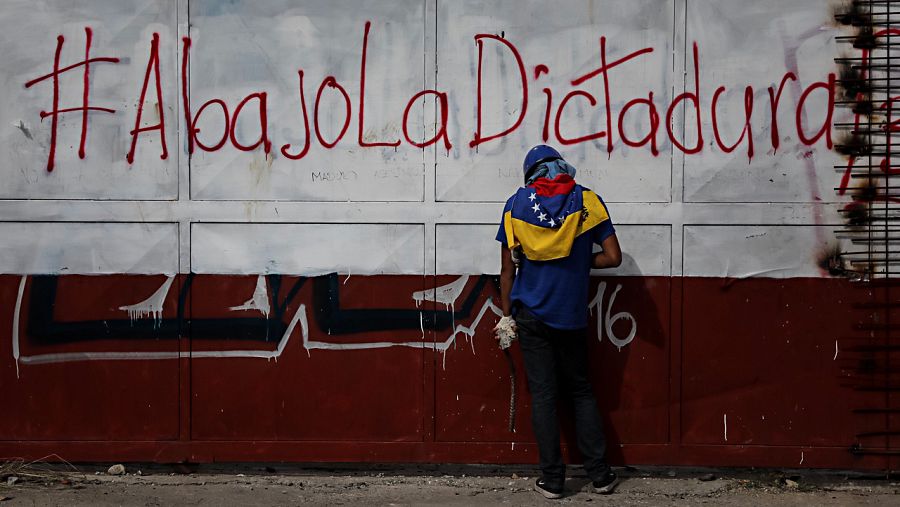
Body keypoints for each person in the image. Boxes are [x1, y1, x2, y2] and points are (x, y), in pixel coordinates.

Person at [494, 145, 622, 499]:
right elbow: (613, 257)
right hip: (570, 316)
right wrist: (579, 263)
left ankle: (552, 481)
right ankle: (600, 476)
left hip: (531, 315)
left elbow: (507, 271)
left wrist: (507, 317)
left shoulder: (516, 206)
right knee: (581, 391)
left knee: (545, 397)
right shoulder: (588, 201)